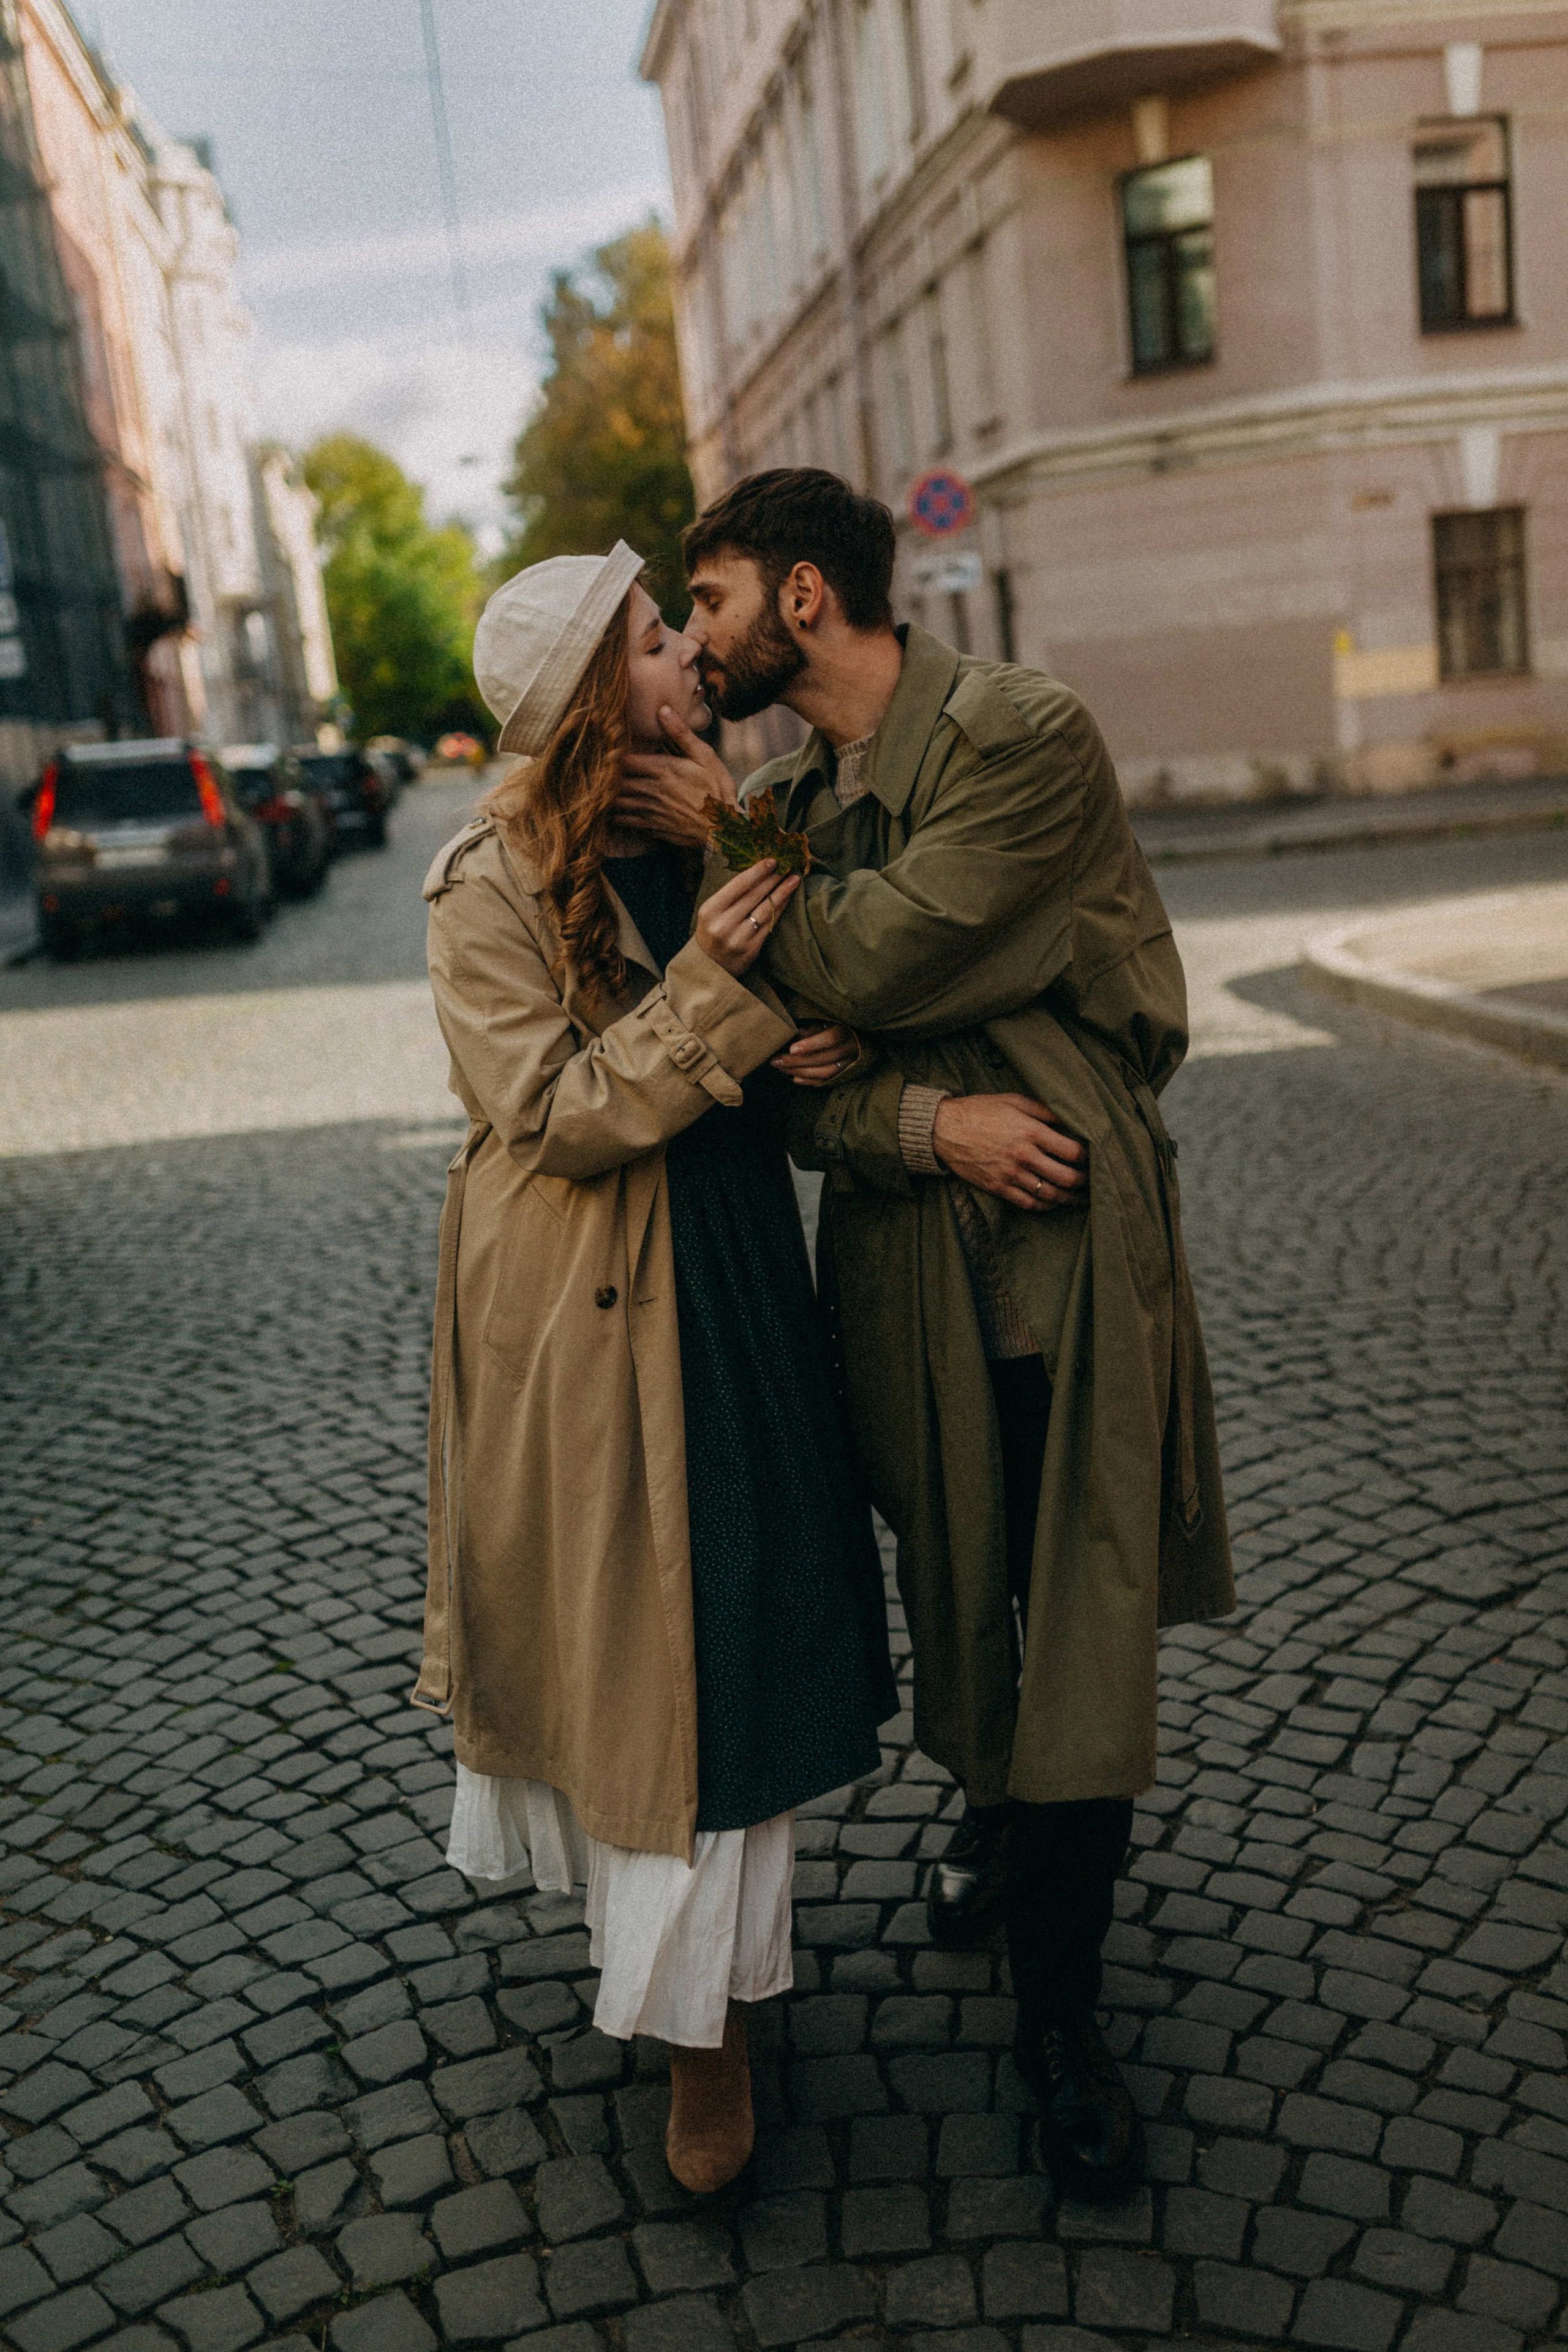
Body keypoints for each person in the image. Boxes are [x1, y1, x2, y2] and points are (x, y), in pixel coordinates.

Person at [615, 470, 1236, 2203]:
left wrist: (748, 881)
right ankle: (1003, 1820)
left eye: (714, 599)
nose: (700, 636)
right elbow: (787, 1097)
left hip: (1053, 1244)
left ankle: (1065, 2021)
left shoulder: (1020, 734)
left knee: (1073, 1601)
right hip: (901, 1265)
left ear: (805, 598)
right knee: (959, 1590)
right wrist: (920, 1122)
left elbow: (873, 966)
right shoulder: (801, 796)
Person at [413, 541, 897, 2196]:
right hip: (587, 1312)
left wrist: (792, 1027)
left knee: (746, 1627)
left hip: (736, 1274)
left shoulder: (713, 812)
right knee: (657, 1658)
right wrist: (719, 996)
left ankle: (709, 1988)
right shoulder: (483, 883)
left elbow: (783, 1003)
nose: (692, 655)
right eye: (652, 640)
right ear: (584, 698)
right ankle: (706, 2042)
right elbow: (554, 1111)